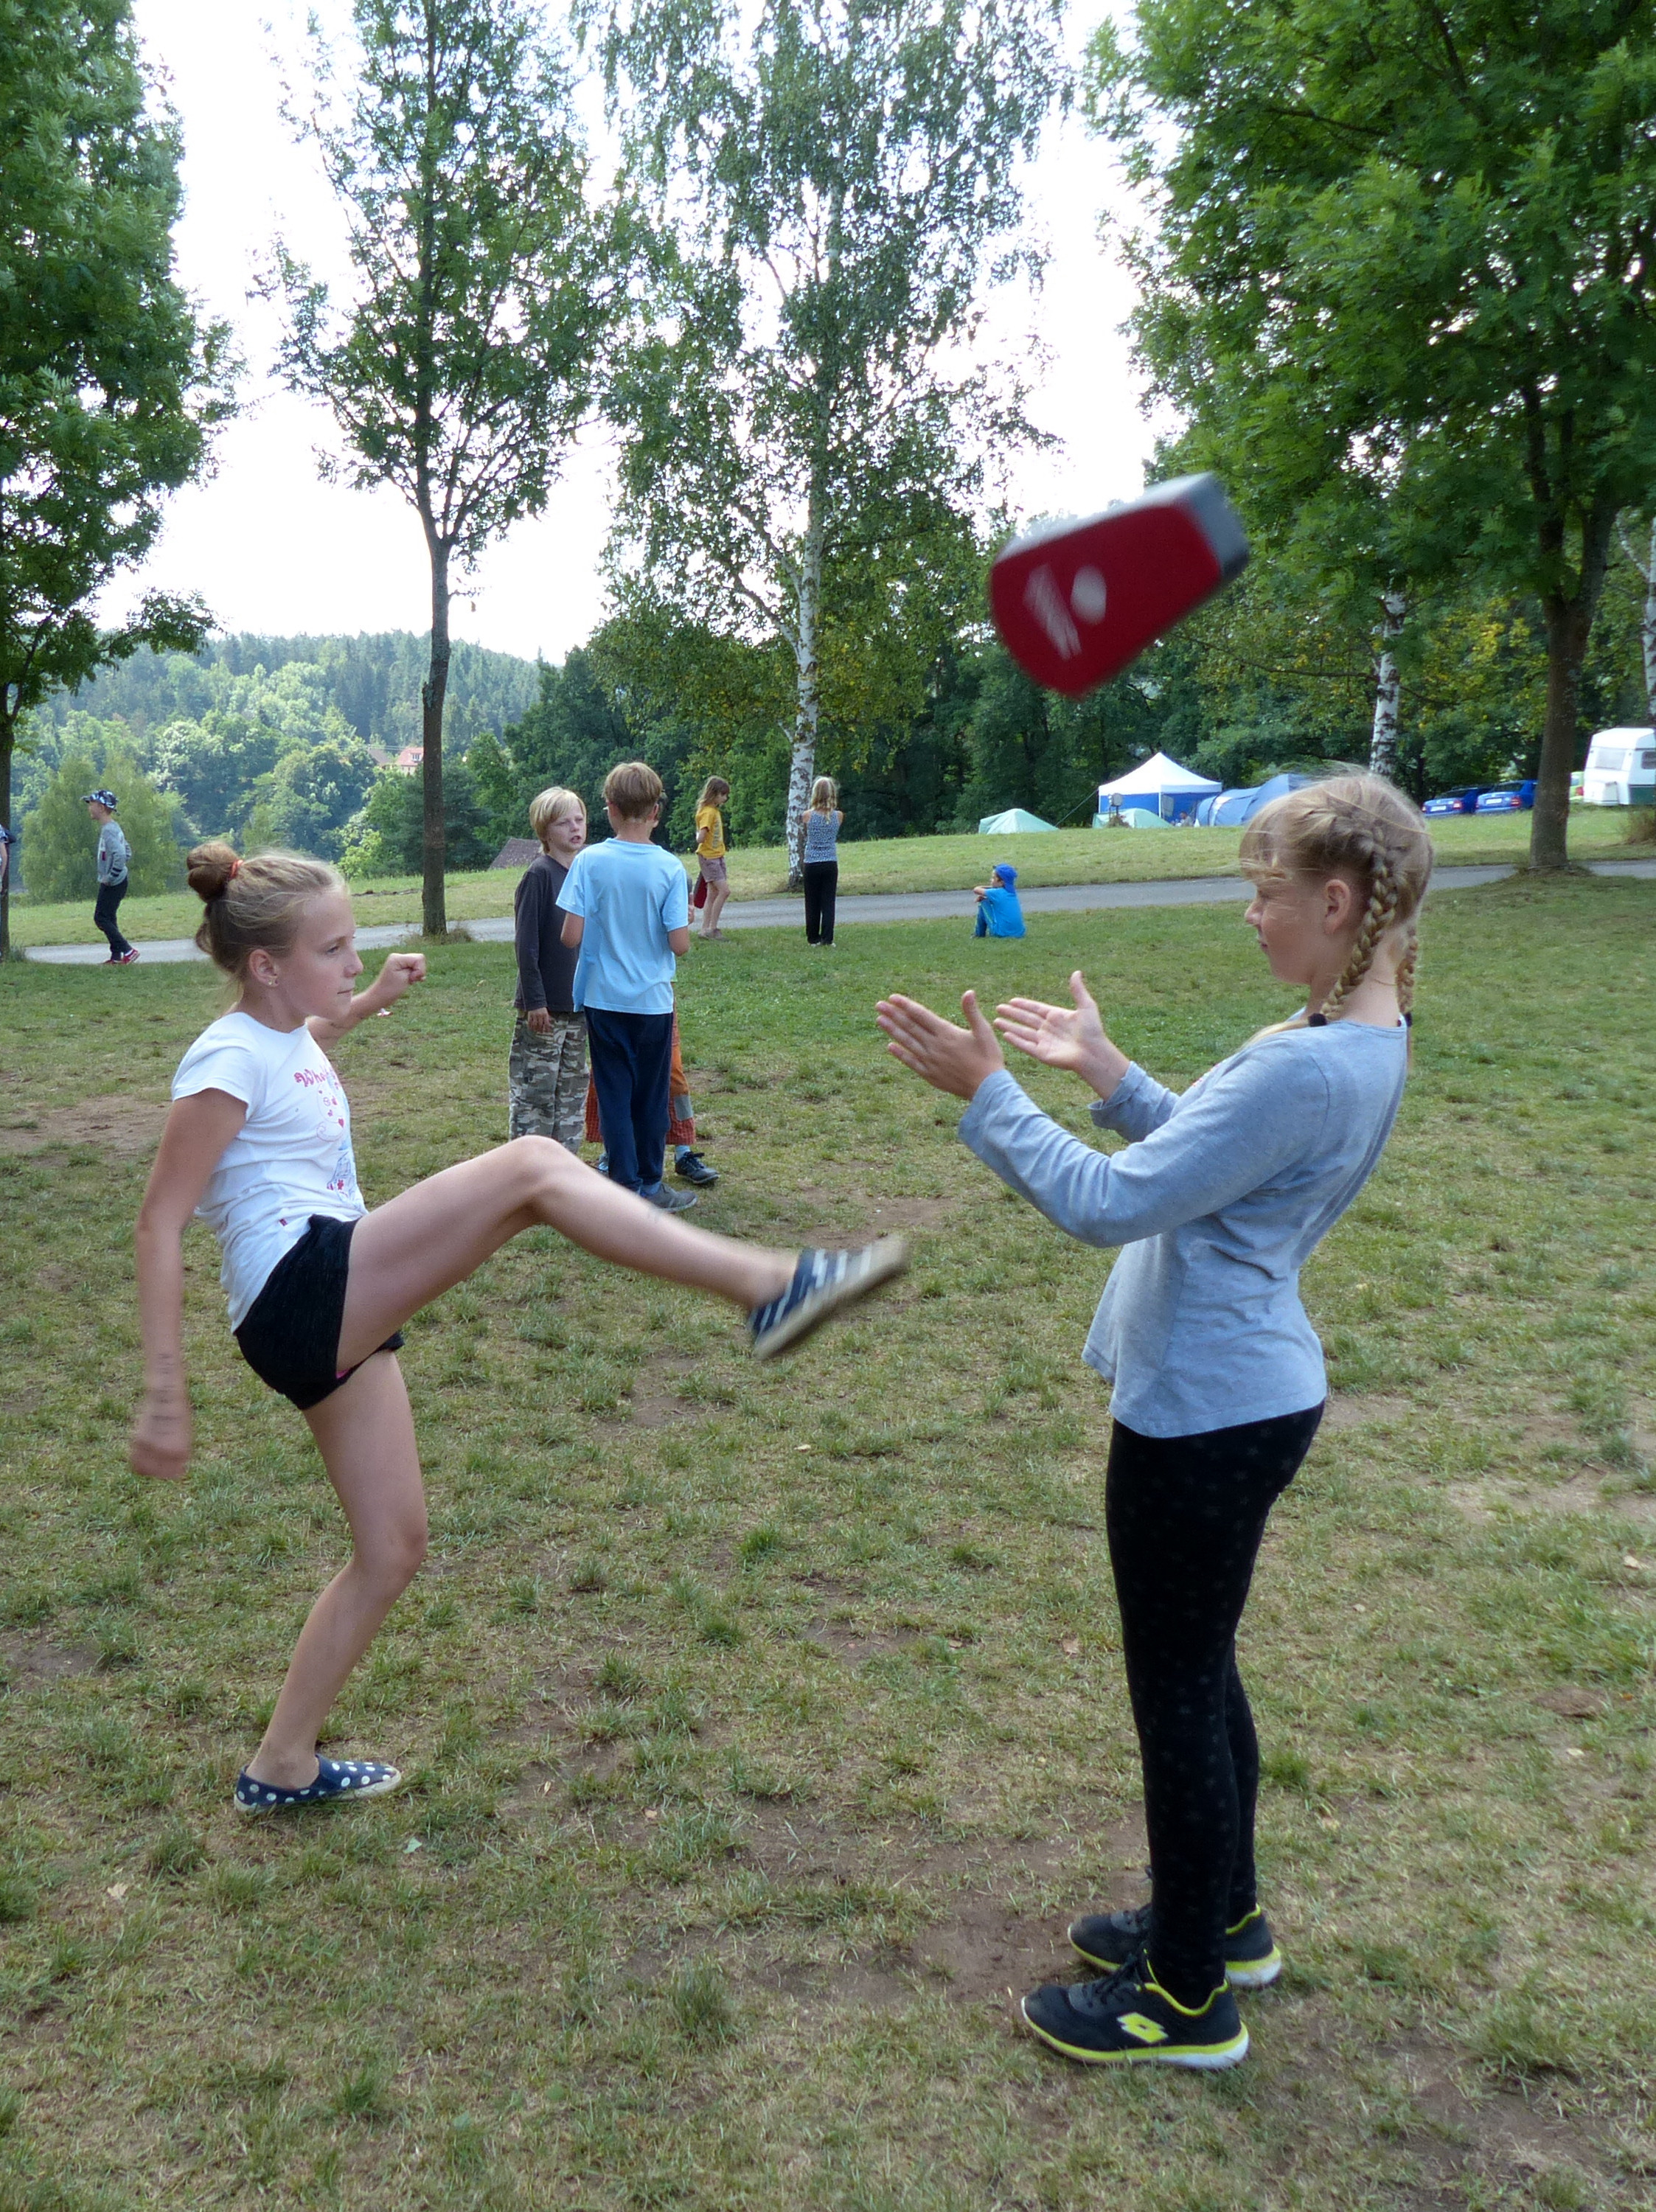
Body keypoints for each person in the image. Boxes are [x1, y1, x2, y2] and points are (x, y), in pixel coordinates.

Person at [131, 842, 908, 1817]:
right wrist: (164, 1390)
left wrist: (369, 999)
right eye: (332, 950)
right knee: (533, 1168)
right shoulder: (226, 1057)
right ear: (264, 965)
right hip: (301, 1286)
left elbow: (313, 1032)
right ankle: (768, 1286)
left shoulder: (282, 1030)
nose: (350, 961)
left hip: (328, 1298)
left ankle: (279, 1763)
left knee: (393, 1547)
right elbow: (159, 1222)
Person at [876, 775, 1430, 2070]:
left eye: (1264, 892)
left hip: (1204, 1414)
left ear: (1336, 903)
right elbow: (1215, 1161)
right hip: (1248, 1396)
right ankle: (1220, 1920)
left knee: (1176, 1691)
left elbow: (1110, 1204)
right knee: (1201, 1669)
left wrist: (988, 1093)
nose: (1249, 912)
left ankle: (1185, 1998)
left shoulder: (1305, 1061)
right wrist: (1112, 1075)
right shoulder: (1362, 1039)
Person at [560, 761, 696, 1212]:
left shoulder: (589, 861)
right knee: (652, 1095)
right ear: (656, 811)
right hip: (652, 1003)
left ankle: (623, 1185)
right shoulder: (670, 868)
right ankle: (651, 1184)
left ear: (610, 809)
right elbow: (679, 945)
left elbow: (570, 937)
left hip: (603, 999)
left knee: (614, 1093)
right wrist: (680, 921)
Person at [509, 785, 588, 1149]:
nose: (575, 828)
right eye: (563, 823)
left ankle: (565, 1165)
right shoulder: (539, 875)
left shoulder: (585, 873)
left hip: (578, 1006)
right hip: (544, 1010)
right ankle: (528, 1165)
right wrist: (535, 1001)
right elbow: (526, 946)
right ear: (545, 831)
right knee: (536, 1093)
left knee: (572, 1091)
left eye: (579, 820)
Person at [583, 1010, 720, 1187]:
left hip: (655, 1005)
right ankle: (613, 1156)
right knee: (612, 1081)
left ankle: (683, 1152)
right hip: (612, 1006)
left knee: (673, 1076)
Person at [86, 790, 137, 964]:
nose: (89, 808)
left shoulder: (108, 830)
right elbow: (127, 851)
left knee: (100, 918)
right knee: (109, 917)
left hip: (113, 882)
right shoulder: (113, 827)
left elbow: (121, 855)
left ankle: (128, 950)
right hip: (117, 880)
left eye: (91, 804)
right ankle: (116, 957)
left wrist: (111, 875)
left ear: (101, 808)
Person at [801, 776, 842, 946]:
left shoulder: (807, 816)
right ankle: (827, 938)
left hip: (812, 862)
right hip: (830, 862)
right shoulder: (838, 816)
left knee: (812, 902)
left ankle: (813, 938)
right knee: (828, 902)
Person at [693, 776, 731, 939]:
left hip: (717, 856)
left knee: (713, 893)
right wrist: (699, 835)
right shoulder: (708, 813)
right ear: (714, 794)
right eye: (723, 795)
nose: (725, 798)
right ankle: (713, 928)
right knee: (724, 891)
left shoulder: (713, 811)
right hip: (709, 858)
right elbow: (701, 837)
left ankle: (704, 929)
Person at [973, 862, 1026, 939]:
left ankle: (979, 934)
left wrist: (991, 888)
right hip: (1019, 933)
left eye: (993, 878)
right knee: (987, 901)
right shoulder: (1011, 893)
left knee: (983, 904)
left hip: (1001, 933)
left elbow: (976, 889)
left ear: (1001, 883)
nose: (991, 880)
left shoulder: (997, 892)